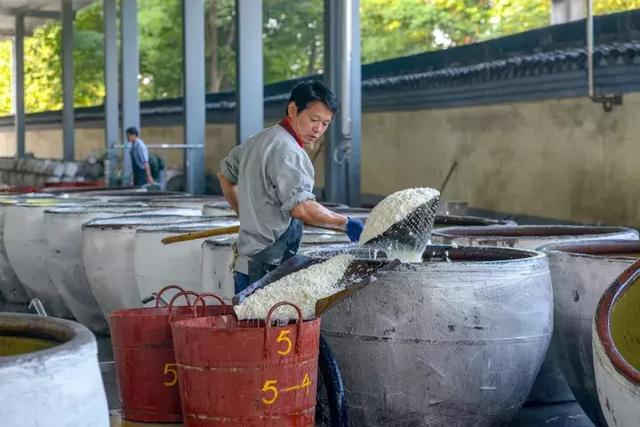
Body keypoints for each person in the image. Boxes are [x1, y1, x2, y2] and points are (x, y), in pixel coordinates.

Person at [218, 80, 364, 293]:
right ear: (293, 109)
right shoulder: (289, 151)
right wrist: (346, 223)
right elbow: (301, 208)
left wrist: (246, 214)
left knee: (246, 325)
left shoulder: (257, 140)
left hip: (245, 266)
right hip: (269, 270)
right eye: (314, 119)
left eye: (325, 123)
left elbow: (225, 176)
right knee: (269, 327)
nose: (318, 129)